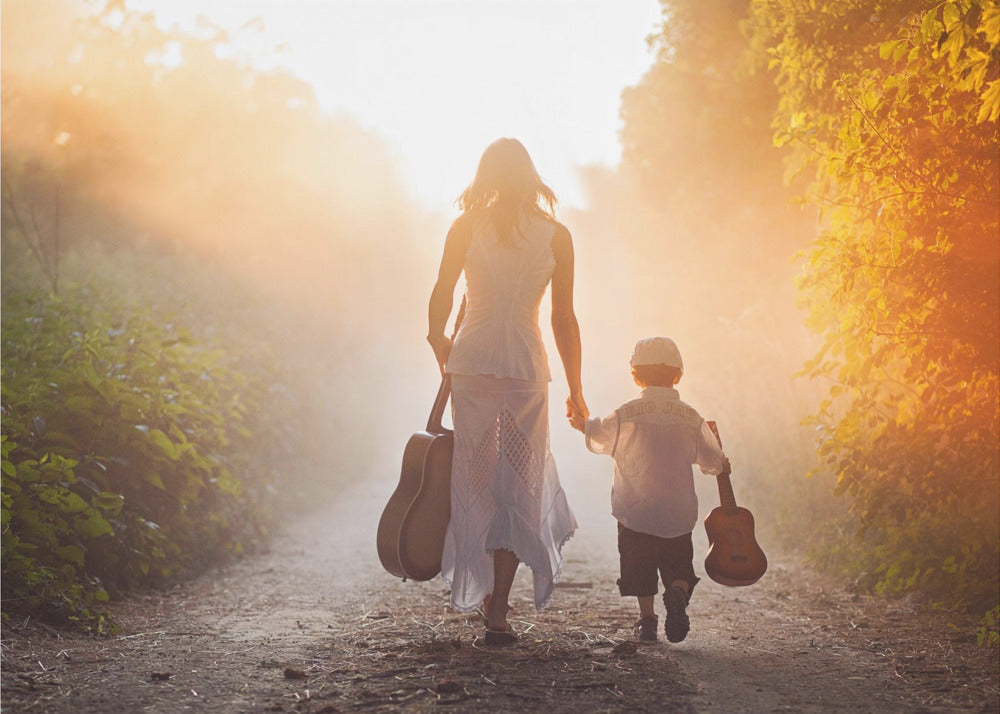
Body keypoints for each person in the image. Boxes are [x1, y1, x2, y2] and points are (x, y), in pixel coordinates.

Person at [427, 138, 587, 646]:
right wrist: (577, 390)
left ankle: (484, 594)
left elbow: (439, 300)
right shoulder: (556, 236)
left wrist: (446, 354)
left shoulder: (464, 228)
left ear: (485, 176)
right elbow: (563, 318)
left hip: (471, 368)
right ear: (530, 176)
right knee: (520, 484)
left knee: (474, 481)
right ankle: (498, 607)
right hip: (524, 369)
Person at [568, 336, 730, 643]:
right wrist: (722, 465)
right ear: (677, 375)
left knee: (639, 569)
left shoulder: (626, 413)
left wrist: (582, 424)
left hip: (636, 510)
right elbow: (712, 460)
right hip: (677, 512)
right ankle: (678, 593)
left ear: (635, 375)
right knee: (678, 564)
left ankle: (648, 620)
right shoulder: (692, 417)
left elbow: (599, 434)